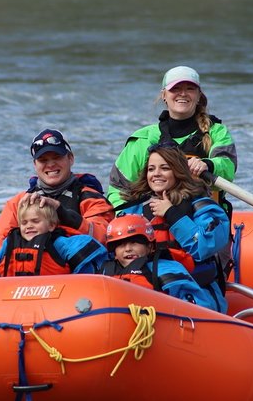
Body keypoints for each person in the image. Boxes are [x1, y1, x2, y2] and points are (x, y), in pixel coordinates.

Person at [116, 143, 230, 313]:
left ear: (178, 171)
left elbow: (204, 247)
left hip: (195, 293)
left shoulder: (204, 208)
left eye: (164, 168)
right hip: (144, 289)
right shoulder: (134, 209)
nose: (156, 174)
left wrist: (171, 213)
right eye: (151, 169)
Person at [0, 128, 115, 272]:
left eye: (57, 157)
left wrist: (62, 213)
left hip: (75, 282)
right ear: (35, 165)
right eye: (43, 160)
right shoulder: (19, 203)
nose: (50, 165)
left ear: (70, 158)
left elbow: (105, 237)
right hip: (26, 282)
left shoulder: (90, 198)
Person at [108, 65, 237, 211]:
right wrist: (126, 219)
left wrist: (208, 165)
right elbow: (119, 189)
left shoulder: (217, 132)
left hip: (204, 222)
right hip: (154, 222)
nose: (183, 94)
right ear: (164, 95)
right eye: (175, 89)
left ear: (199, 95)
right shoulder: (143, 138)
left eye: (190, 88)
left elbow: (228, 168)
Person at [100, 214, 218, 311]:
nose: (127, 249)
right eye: (120, 245)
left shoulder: (165, 268)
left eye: (134, 242)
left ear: (150, 247)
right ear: (114, 253)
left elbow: (199, 308)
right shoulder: (106, 271)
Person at [0, 199, 108, 278]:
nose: (29, 226)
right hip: (13, 295)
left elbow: (89, 256)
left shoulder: (59, 243)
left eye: (35, 221)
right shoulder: (10, 242)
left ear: (52, 225)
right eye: (24, 223)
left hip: (54, 296)